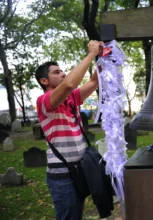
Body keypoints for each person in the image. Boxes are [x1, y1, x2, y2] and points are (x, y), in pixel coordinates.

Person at [35, 40, 102, 220]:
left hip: (79, 170)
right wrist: (90, 55)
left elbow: (95, 81)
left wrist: (103, 58)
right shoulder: (43, 101)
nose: (63, 74)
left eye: (62, 71)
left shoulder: (71, 98)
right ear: (44, 81)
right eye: (56, 72)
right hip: (62, 175)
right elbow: (68, 85)